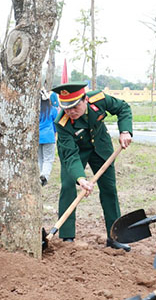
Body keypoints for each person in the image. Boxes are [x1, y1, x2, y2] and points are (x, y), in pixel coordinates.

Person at [52, 80, 133, 250]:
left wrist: (125, 131)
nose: (70, 112)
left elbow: (123, 108)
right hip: (75, 151)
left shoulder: (99, 99)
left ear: (85, 100)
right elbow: (70, 156)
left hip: (100, 147)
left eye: (74, 107)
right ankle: (66, 237)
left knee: (109, 188)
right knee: (68, 186)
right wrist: (81, 179)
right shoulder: (62, 123)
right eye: (66, 107)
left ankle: (114, 236)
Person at [38, 89, 59, 185]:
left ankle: (40, 176)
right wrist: (55, 133)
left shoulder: (35, 110)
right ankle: (45, 175)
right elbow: (56, 123)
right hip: (49, 137)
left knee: (40, 159)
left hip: (37, 138)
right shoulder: (52, 110)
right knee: (48, 159)